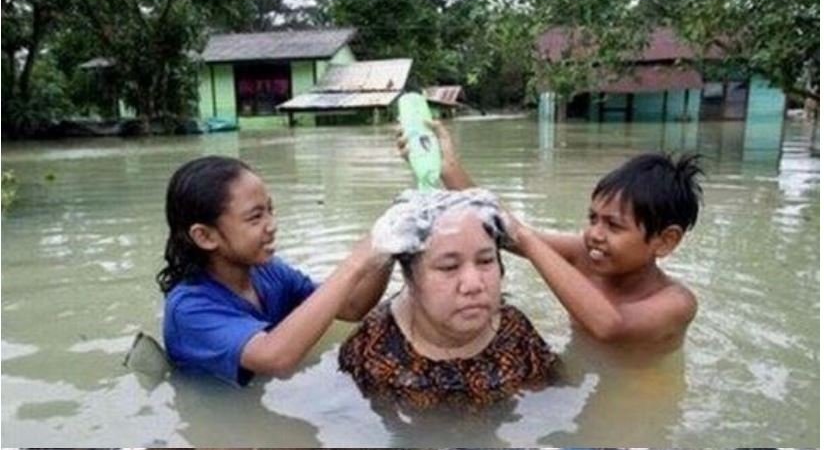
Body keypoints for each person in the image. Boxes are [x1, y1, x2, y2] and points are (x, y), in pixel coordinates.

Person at [397, 122, 703, 355]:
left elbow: (610, 326)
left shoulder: (677, 302)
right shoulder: (585, 254)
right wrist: (449, 169)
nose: (594, 234)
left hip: (639, 397)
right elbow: (508, 235)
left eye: (613, 226)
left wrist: (529, 240)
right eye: (592, 218)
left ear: (666, 241)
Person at [157, 155, 393, 386]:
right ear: (205, 236)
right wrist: (354, 265)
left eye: (271, 210)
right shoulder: (188, 309)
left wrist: (390, 244)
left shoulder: (269, 271)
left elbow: (352, 307)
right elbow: (275, 358)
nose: (272, 225)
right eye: (256, 217)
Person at [338, 188, 558, 410]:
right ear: (409, 277)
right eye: (449, 266)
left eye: (485, 261)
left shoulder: (517, 335)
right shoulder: (374, 346)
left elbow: (545, 407)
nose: (473, 285)